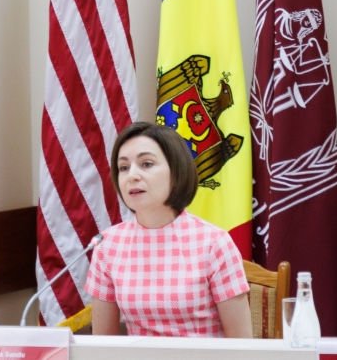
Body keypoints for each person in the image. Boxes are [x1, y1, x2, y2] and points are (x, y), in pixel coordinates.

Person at [85, 121, 252, 337]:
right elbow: (104, 344)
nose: (132, 175)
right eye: (123, 167)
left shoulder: (214, 243)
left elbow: (241, 344)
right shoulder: (107, 245)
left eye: (146, 164)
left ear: (176, 171)